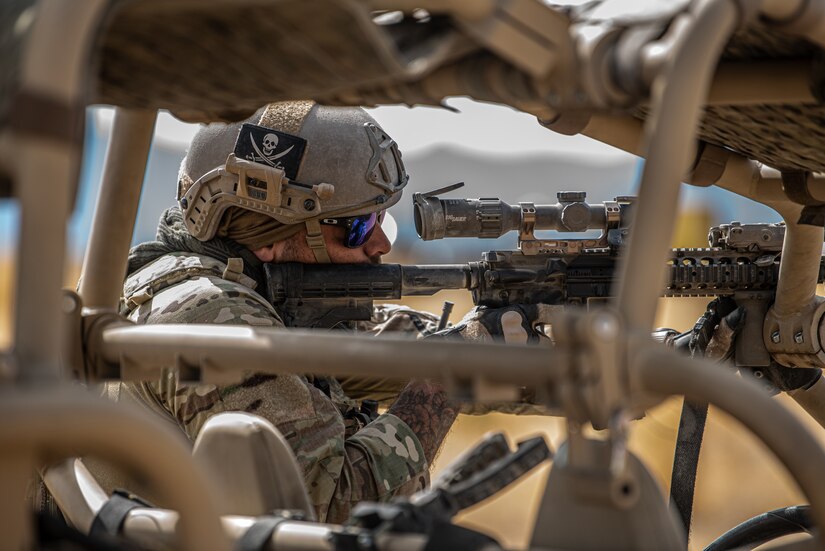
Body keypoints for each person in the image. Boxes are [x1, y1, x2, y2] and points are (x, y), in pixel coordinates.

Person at [93, 101, 545, 524]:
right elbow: (331, 510)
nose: (382, 244)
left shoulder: (252, 293)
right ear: (269, 234)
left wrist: (521, 344)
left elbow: (388, 341)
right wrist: (448, 376)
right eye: (358, 227)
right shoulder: (214, 316)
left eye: (381, 219)